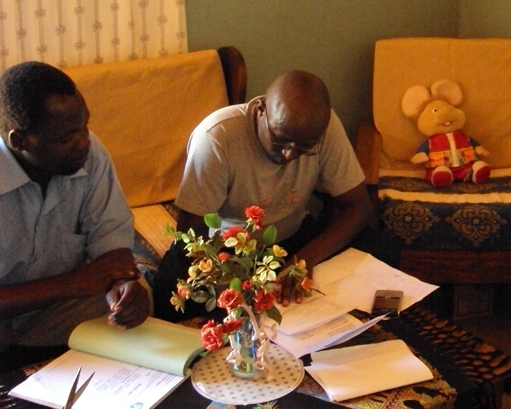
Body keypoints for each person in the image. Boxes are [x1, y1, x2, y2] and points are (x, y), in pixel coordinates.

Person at [153, 69, 374, 320]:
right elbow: (189, 235)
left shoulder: (324, 127)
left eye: (304, 148)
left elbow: (358, 207)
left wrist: (304, 260)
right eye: (280, 140)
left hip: (291, 240)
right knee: (171, 295)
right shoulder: (217, 137)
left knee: (377, 246)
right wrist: (234, 282)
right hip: (226, 250)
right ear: (261, 111)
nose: (289, 155)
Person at [0, 61, 150, 354]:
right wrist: (72, 283)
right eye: (66, 138)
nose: (83, 143)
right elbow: (84, 281)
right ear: (20, 141)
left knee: (141, 299)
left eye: (85, 126)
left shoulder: (90, 154)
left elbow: (112, 248)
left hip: (56, 311)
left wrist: (121, 285)